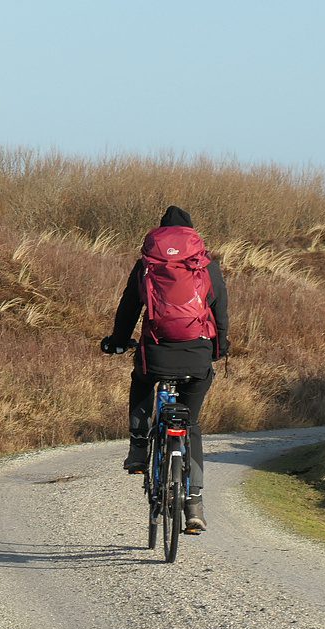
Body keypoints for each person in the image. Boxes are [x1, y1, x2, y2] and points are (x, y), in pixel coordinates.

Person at [101, 206, 229, 534]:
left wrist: (118, 341)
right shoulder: (205, 265)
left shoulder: (147, 265)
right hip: (197, 355)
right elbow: (220, 311)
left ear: (159, 235)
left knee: (142, 380)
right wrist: (219, 349)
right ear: (192, 235)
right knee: (192, 423)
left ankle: (138, 449)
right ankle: (194, 504)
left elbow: (129, 307)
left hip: (156, 352)